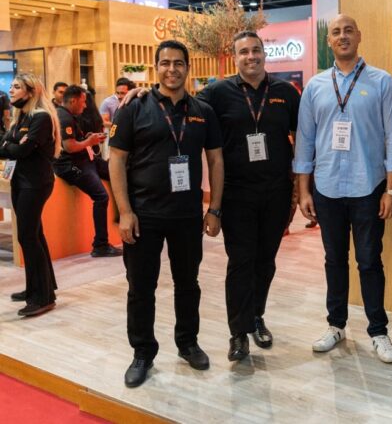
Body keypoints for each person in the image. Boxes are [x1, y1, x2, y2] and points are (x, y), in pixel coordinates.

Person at [109, 40, 224, 388]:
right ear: (156, 67)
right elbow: (116, 160)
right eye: (165, 63)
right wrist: (124, 212)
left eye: (178, 63)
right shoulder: (134, 107)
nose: (172, 69)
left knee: (188, 284)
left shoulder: (203, 110)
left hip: (187, 215)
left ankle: (188, 343)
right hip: (143, 215)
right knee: (140, 287)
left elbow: (216, 160)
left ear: (187, 67)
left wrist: (214, 208)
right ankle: (142, 352)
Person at [293, 14, 392, 363]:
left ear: (359, 36)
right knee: (334, 260)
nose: (342, 36)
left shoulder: (382, 82)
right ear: (329, 41)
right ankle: (336, 325)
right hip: (327, 187)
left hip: (368, 187)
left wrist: (391, 190)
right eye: (336, 32)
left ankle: (378, 331)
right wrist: (304, 191)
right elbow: (305, 141)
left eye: (348, 31)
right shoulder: (315, 86)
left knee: (369, 261)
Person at [196, 31, 300, 361]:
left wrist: (301, 186)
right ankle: (238, 333)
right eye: (244, 52)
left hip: (277, 192)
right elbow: (184, 107)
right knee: (241, 262)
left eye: (256, 50)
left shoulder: (285, 92)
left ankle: (256, 315)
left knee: (265, 261)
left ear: (264, 54)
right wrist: (145, 94)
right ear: (235, 57)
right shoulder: (217, 93)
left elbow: (302, 137)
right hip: (236, 193)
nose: (251, 56)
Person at [0, 73, 61, 316]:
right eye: (12, 86)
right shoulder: (21, 117)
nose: (11, 90)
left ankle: (42, 297)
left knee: (27, 236)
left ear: (31, 91)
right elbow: (6, 146)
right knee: (33, 235)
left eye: (17, 86)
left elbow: (21, 151)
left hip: (35, 184)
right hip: (21, 181)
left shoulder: (41, 117)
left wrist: (11, 146)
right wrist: (11, 146)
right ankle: (39, 287)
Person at [54, 85, 121, 257]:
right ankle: (100, 245)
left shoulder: (70, 115)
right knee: (101, 196)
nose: (85, 106)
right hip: (71, 166)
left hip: (86, 159)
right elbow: (70, 147)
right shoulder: (64, 117)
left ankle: (123, 216)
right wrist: (89, 142)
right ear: (73, 100)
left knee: (118, 173)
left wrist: (90, 140)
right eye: (83, 102)